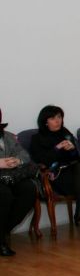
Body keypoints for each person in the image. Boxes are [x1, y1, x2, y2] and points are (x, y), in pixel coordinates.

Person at [30, 105, 80, 241]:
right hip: (55, 176)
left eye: (59, 117)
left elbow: (76, 159)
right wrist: (57, 148)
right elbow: (42, 160)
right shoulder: (37, 139)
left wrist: (73, 149)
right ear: (45, 121)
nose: (57, 121)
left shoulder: (66, 133)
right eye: (53, 118)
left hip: (74, 173)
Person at [0, 109, 37, 256]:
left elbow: (24, 154)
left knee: (29, 189)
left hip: (11, 176)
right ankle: (1, 240)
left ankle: (2, 231)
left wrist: (17, 160)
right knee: (5, 195)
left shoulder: (8, 136)